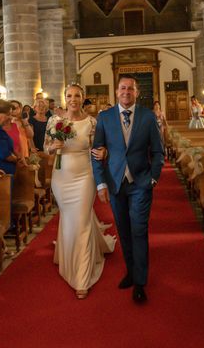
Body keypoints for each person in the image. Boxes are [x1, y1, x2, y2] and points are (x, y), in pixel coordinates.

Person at [92, 74, 165, 304]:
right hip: (115, 184)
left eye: (130, 89)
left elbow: (158, 152)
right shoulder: (104, 117)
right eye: (122, 88)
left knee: (139, 230)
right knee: (123, 231)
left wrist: (153, 178)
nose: (126, 92)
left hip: (141, 183)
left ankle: (140, 282)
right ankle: (131, 272)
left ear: (136, 92)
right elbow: (96, 153)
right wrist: (101, 182)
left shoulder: (147, 116)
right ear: (116, 91)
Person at [46, 84, 115, 299]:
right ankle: (68, 257)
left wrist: (104, 153)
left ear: (83, 98)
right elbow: (46, 147)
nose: (73, 99)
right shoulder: (55, 121)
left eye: (77, 96)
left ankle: (82, 277)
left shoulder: (92, 122)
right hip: (62, 177)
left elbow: (99, 149)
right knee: (69, 219)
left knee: (82, 220)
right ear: (64, 98)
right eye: (69, 96)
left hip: (85, 176)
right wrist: (53, 146)